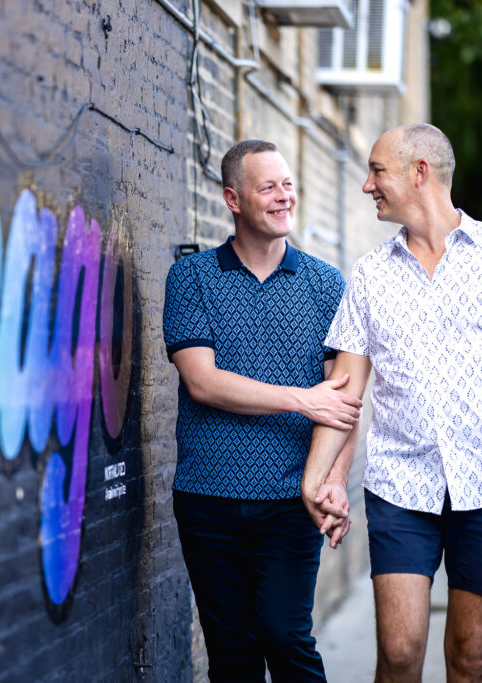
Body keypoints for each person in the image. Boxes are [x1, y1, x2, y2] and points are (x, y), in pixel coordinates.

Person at [302, 123, 482, 682]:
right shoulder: (370, 275)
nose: (366, 185)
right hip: (401, 488)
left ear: (418, 172)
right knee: (399, 652)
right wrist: (319, 475)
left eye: (377, 171)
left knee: (470, 658)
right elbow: (346, 388)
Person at [163, 139, 362, 682]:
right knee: (231, 654)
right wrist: (302, 398)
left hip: (290, 500)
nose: (284, 197)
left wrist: (334, 481)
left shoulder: (326, 284)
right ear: (233, 198)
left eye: (288, 184)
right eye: (268, 187)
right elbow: (202, 382)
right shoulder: (193, 278)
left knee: (286, 635)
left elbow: (344, 401)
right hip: (207, 498)